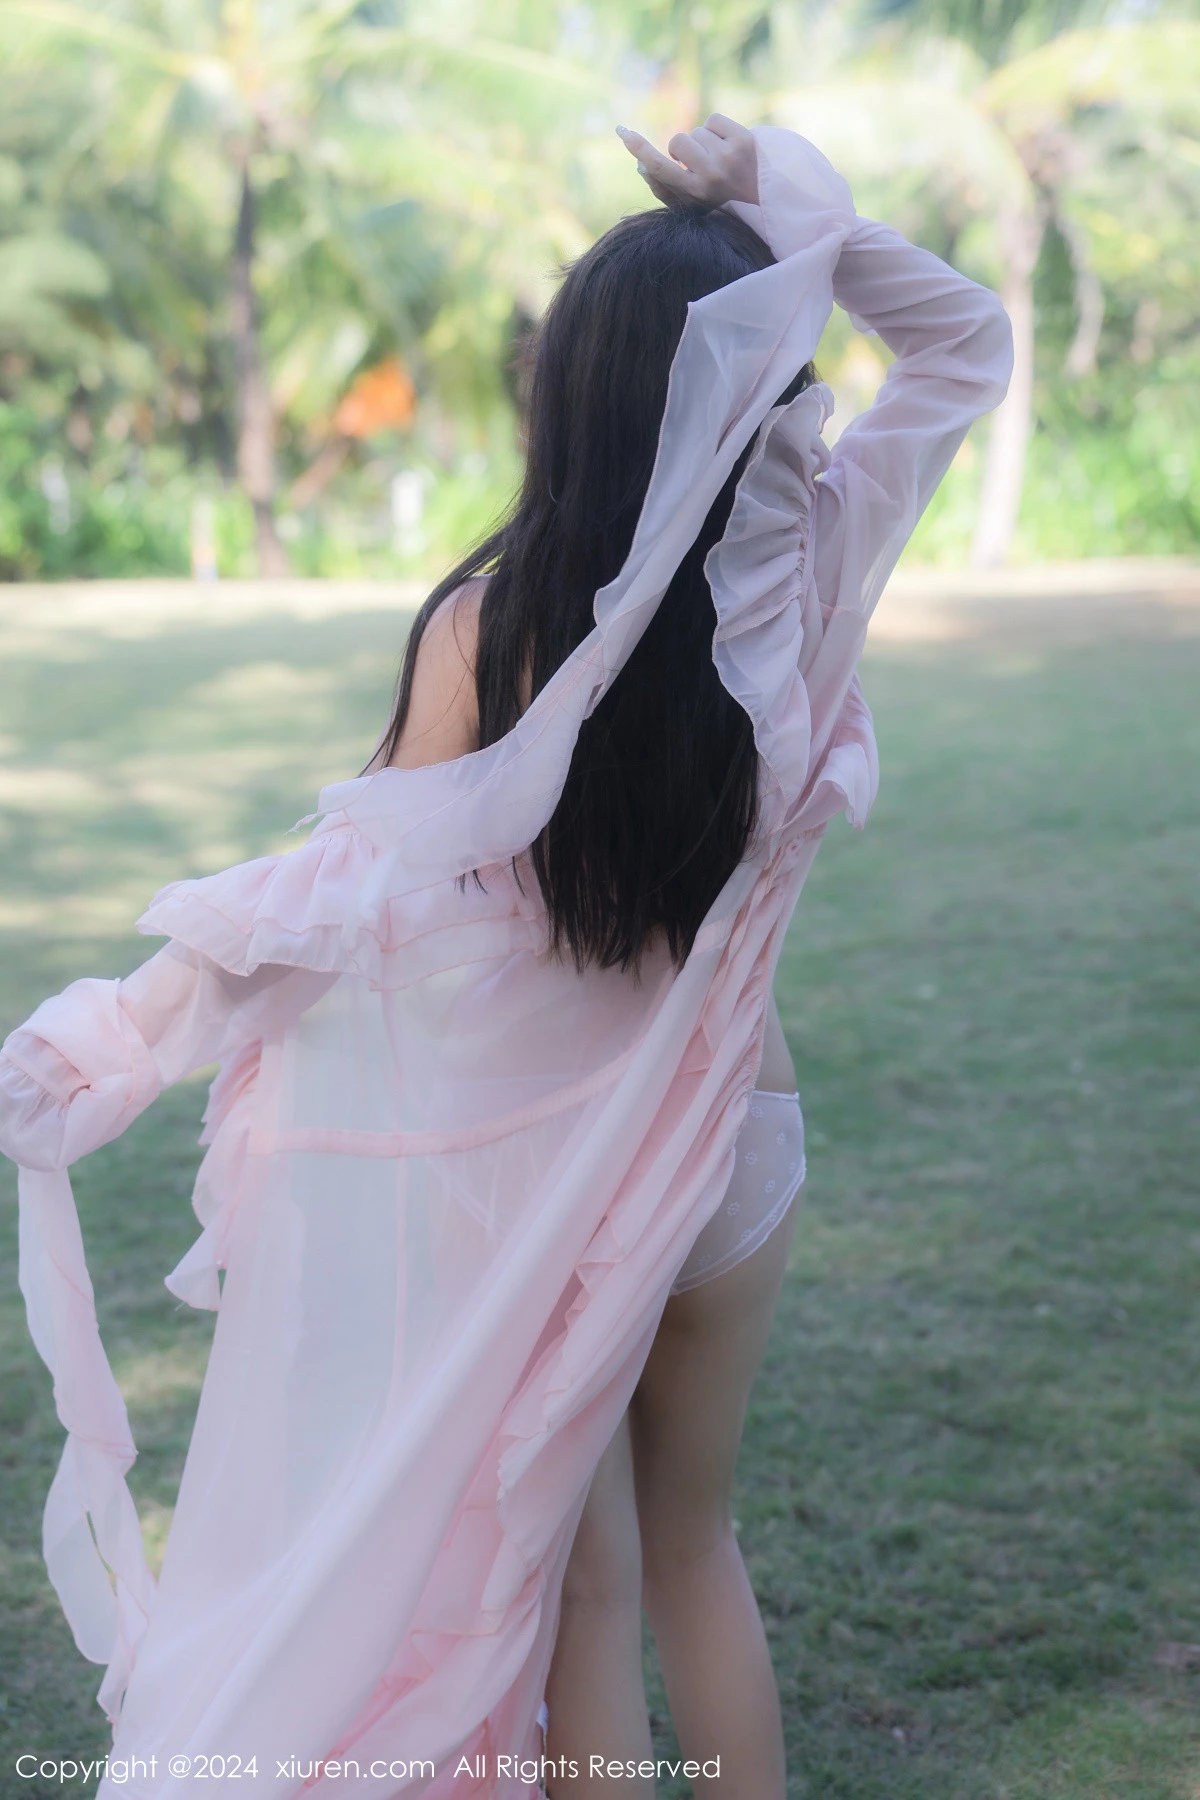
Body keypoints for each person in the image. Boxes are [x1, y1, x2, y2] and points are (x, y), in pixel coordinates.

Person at [0, 117, 1011, 1799]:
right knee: (698, 1550)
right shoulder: (811, 564)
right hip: (744, 1138)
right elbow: (966, 342)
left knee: (583, 1591)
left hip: (557, 1174)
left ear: (571, 396)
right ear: (763, 381)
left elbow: (343, 899)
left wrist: (124, 1031)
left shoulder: (495, 625)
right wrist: (776, 206)